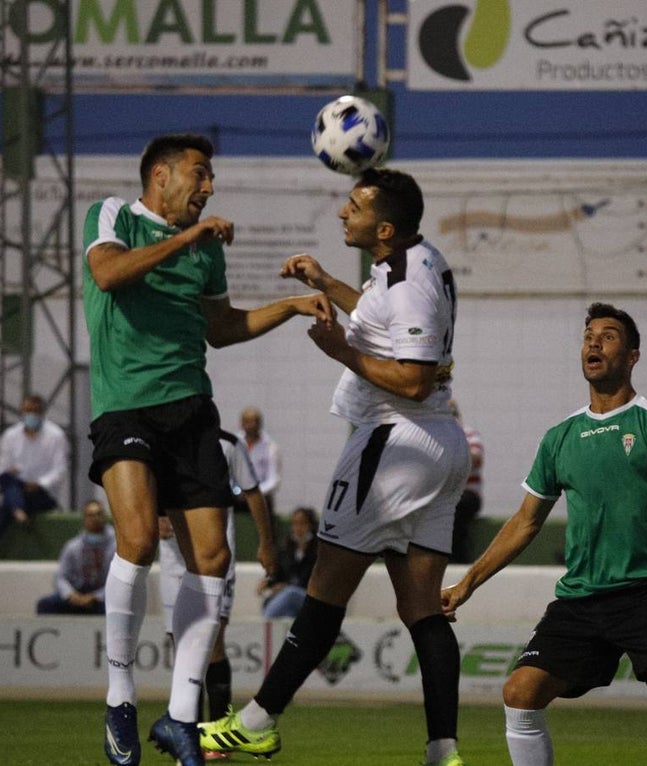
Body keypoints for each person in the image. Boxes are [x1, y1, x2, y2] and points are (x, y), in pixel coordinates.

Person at [199, 167, 470, 766]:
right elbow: (384, 317)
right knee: (421, 608)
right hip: (438, 447)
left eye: (355, 207)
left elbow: (415, 377)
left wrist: (339, 350)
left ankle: (257, 722)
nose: (343, 213)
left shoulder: (408, 285)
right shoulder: (416, 261)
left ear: (387, 228)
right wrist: (325, 283)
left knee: (324, 594)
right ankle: (443, 751)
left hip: (392, 445)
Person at [82, 132, 321, 766]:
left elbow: (223, 327)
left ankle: (182, 716)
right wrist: (188, 237)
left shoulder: (206, 252)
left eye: (210, 177)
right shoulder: (113, 216)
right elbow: (106, 275)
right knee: (135, 540)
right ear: (160, 176)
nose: (208, 186)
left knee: (212, 560)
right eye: (199, 174)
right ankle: (121, 697)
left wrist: (292, 307)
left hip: (190, 409)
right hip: (126, 405)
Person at [441, 302, 647, 766]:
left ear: (632, 356)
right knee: (520, 693)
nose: (593, 342)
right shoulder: (560, 437)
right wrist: (467, 582)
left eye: (607, 336)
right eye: (588, 335)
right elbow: (526, 521)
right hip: (581, 599)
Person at [156, 430, 275, 762]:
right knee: (180, 643)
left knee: (212, 640)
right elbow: (144, 483)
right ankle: (188, 732)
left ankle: (216, 735)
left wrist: (266, 542)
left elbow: (253, 493)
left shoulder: (227, 444)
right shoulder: (162, 440)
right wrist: (155, 515)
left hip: (218, 551)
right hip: (172, 556)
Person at [0, 394, 68, 561]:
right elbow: (2, 469)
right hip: (16, 485)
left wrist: (39, 483)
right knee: (7, 480)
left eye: (35, 411)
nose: (31, 415)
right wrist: (11, 471)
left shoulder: (56, 435)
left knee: (7, 506)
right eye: (27, 411)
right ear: (21, 412)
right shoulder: (11, 435)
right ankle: (18, 510)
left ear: (42, 413)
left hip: (43, 494)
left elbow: (60, 469)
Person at [36, 500, 117, 615]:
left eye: (98, 514)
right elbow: (60, 577)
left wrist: (95, 596)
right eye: (91, 515)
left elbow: (116, 581)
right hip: (76, 595)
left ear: (104, 517)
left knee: (115, 608)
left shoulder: (116, 547)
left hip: (102, 597)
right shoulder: (73, 546)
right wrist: (70, 595)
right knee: (46, 605)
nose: (95, 518)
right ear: (84, 519)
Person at [258, 506, 319, 618]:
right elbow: (278, 575)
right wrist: (268, 583)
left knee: (291, 593)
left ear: (311, 526)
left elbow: (311, 581)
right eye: (295, 524)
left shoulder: (317, 553)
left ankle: (265, 622)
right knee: (288, 615)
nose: (298, 528)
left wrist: (285, 587)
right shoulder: (286, 552)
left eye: (302, 523)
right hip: (288, 599)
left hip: (307, 597)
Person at [448, 399, 483, 564]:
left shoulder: (468, 433)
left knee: (458, 508)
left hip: (467, 494)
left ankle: (459, 559)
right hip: (445, 495)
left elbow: (476, 458)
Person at [238, 407, 282, 516]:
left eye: (255, 421)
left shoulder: (271, 446)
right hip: (237, 495)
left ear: (260, 424)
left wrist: (253, 492)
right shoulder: (234, 444)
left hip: (261, 495)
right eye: (247, 421)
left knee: (265, 506)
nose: (251, 425)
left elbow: (274, 479)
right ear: (242, 424)